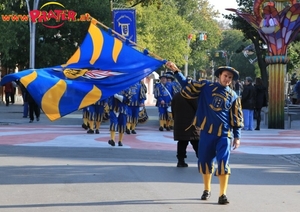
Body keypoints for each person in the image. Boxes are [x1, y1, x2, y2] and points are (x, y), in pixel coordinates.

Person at [167, 61, 243, 205]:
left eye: (230, 77)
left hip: (224, 134)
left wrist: (237, 137)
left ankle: (222, 194)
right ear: (219, 75)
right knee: (205, 162)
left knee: (223, 163)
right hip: (207, 133)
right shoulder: (206, 87)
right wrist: (176, 71)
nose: (227, 79)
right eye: (226, 76)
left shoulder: (233, 96)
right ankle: (207, 189)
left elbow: (236, 118)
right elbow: (186, 84)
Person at [171, 92, 198, 167]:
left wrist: (175, 118)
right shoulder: (194, 95)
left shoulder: (176, 95)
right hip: (192, 124)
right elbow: (198, 108)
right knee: (196, 142)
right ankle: (202, 161)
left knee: (182, 143)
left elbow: (173, 108)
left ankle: (180, 161)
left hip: (180, 123)